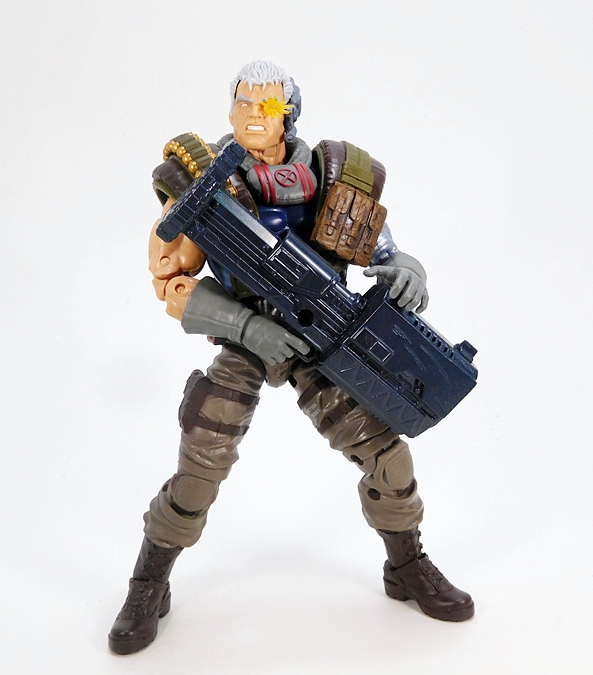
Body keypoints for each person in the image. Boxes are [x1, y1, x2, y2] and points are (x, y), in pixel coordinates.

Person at [108, 60, 474, 656]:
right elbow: (171, 285)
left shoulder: (331, 174)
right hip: (245, 336)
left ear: (291, 114)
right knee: (202, 462)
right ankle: (149, 582)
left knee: (388, 457)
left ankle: (407, 566)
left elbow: (381, 247)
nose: (255, 115)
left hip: (322, 338)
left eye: (269, 105)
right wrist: (245, 325)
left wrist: (408, 267)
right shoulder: (203, 184)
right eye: (243, 103)